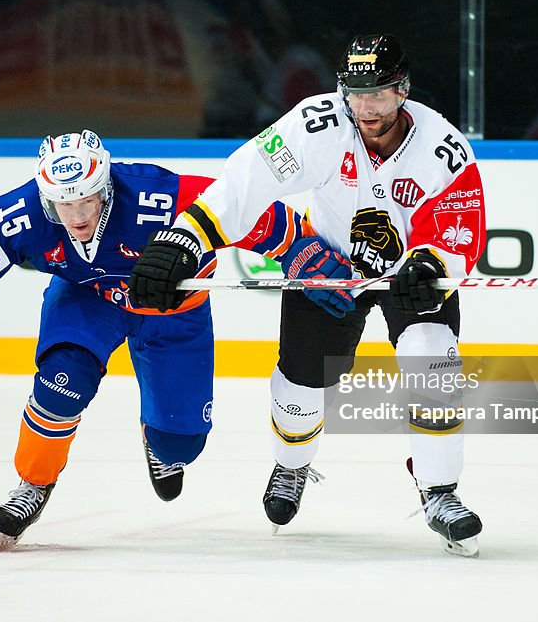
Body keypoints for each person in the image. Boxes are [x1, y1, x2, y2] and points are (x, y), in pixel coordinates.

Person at [129, 34, 488, 557]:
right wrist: (185, 238)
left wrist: (431, 263)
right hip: (331, 270)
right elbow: (243, 183)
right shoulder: (317, 124)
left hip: (410, 273)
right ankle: (292, 466)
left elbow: (460, 225)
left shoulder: (443, 146)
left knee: (432, 360)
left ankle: (439, 492)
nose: (366, 108)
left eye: (380, 95)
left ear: (403, 91)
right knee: (300, 386)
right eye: (356, 93)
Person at [0, 130, 301, 550]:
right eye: (64, 203)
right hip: (87, 298)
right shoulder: (26, 211)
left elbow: (245, 210)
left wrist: (302, 248)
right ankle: (32, 484)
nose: (77, 214)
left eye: (87, 199)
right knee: (59, 386)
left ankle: (158, 438)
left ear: (105, 185)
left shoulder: (154, 197)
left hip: (171, 310)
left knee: (181, 444)